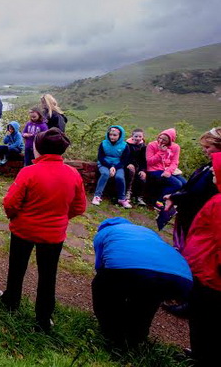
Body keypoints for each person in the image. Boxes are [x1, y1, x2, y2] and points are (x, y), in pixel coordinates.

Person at [0, 128, 86, 332]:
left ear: (38, 148)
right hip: (53, 234)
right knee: (48, 275)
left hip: (23, 230)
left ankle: (11, 301)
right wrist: (60, 218)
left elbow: (11, 203)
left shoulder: (29, 172)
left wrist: (15, 216)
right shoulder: (73, 174)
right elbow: (79, 206)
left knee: (17, 268)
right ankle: (44, 318)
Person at [91, 217, 192, 347]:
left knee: (102, 287)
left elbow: (101, 267)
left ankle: (112, 336)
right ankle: (136, 339)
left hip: (131, 269)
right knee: (148, 299)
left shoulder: (104, 232)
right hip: (180, 275)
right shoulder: (146, 231)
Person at [181, 151, 221, 367]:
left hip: (212, 278)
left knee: (205, 320)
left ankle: (203, 358)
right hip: (206, 270)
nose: (213, 170)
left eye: (216, 168)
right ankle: (198, 353)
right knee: (200, 318)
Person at [167, 127, 221, 249]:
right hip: (192, 213)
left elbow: (196, 191)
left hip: (195, 215)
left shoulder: (216, 171)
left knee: (190, 245)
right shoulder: (210, 166)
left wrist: (174, 197)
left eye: (208, 147)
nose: (204, 150)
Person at [91, 125, 132, 208]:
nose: (112, 137)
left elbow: (124, 160)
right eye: (110, 135)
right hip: (104, 164)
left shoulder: (125, 145)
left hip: (118, 165)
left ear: (120, 136)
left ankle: (121, 198)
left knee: (120, 177)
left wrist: (115, 167)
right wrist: (110, 167)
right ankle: (97, 196)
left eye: (115, 135)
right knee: (105, 174)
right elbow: (100, 157)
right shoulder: (103, 143)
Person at [146, 128, 187, 207]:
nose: (161, 141)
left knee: (185, 183)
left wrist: (169, 171)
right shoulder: (152, 145)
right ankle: (159, 201)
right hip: (154, 169)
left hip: (168, 170)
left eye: (164, 140)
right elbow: (150, 161)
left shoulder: (175, 147)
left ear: (170, 140)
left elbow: (175, 162)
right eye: (160, 138)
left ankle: (173, 201)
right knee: (177, 184)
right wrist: (161, 152)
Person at [125, 128, 148, 206]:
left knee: (142, 177)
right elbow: (125, 156)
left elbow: (143, 160)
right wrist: (128, 163)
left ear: (142, 137)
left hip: (138, 166)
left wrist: (143, 170)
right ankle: (128, 192)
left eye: (140, 136)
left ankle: (139, 197)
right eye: (136, 136)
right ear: (132, 136)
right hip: (128, 165)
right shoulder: (127, 144)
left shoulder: (143, 146)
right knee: (130, 173)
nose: (138, 138)